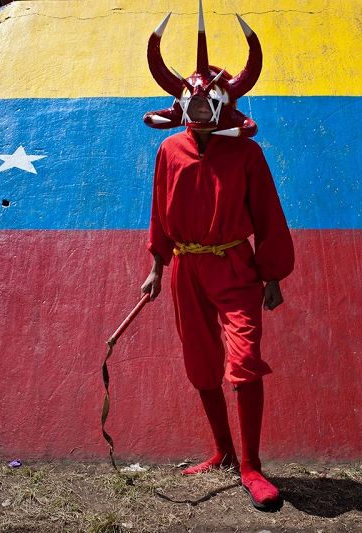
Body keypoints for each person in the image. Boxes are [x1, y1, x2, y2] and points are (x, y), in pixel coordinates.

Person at [139, 2, 294, 513]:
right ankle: (222, 451)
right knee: (201, 363)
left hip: (235, 267)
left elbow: (269, 215)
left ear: (224, 102)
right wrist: (156, 267)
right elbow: (160, 212)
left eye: (209, 100)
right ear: (183, 103)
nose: (200, 107)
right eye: (193, 100)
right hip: (185, 269)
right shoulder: (169, 153)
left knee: (244, 361)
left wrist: (272, 275)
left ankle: (251, 466)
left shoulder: (247, 154)